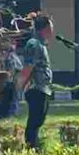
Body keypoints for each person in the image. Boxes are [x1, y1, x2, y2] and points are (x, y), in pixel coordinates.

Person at [17, 15, 54, 148]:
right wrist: (18, 87)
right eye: (50, 26)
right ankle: (31, 149)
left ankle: (34, 147)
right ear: (45, 28)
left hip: (43, 89)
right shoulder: (34, 44)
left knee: (38, 122)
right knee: (34, 122)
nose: (52, 30)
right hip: (36, 89)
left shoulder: (41, 44)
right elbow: (28, 68)